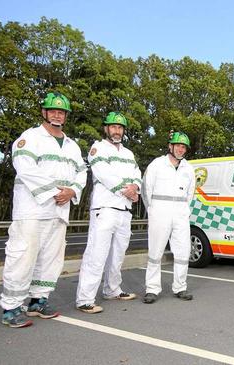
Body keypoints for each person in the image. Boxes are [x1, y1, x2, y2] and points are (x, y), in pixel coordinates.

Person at [0, 92, 86, 327]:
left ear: (66, 116)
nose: (58, 115)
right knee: (23, 256)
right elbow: (25, 168)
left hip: (59, 211)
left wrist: (72, 191)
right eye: (53, 111)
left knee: (51, 258)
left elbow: (82, 172)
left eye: (62, 112)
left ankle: (38, 301)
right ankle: (11, 307)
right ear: (44, 113)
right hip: (32, 210)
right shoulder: (29, 138)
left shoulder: (71, 145)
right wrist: (54, 192)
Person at [75, 112, 141, 314]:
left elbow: (137, 174)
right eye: (113, 127)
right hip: (104, 208)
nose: (117, 130)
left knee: (117, 254)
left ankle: (112, 289)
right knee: (96, 253)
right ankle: (85, 299)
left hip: (124, 210)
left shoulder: (128, 154)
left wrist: (136, 188)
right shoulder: (97, 149)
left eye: (120, 127)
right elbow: (104, 174)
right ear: (106, 128)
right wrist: (128, 189)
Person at [141, 132, 196, 304]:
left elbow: (190, 193)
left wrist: (184, 211)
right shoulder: (157, 164)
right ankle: (152, 289)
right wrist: (152, 210)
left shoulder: (188, 168)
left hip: (180, 214)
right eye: (178, 145)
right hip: (160, 212)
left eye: (183, 146)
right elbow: (145, 190)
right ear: (170, 146)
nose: (181, 149)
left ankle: (180, 287)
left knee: (182, 252)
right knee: (155, 252)